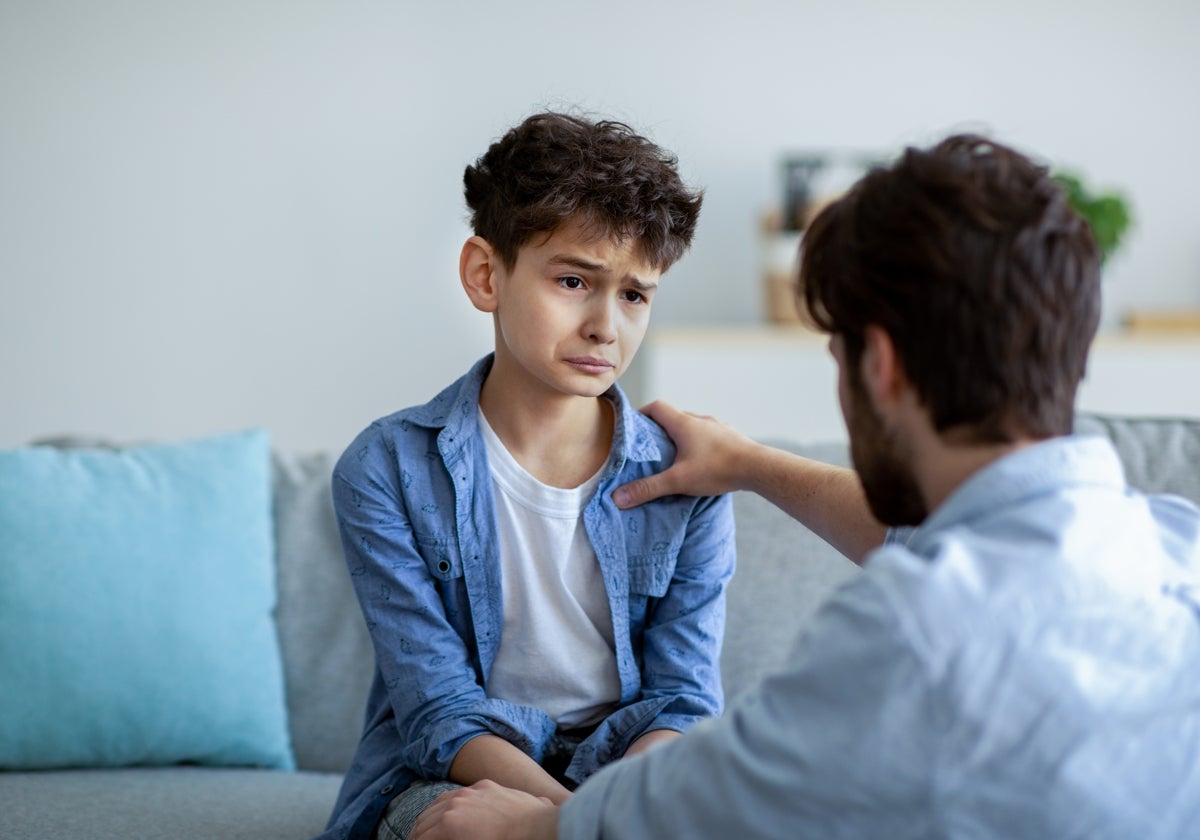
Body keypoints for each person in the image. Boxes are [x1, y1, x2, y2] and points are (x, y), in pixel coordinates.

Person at [409, 134, 1200, 839]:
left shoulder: (910, 628)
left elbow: (709, 798)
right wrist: (749, 463)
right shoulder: (1177, 545)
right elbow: (977, 537)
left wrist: (545, 829)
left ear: (878, 368)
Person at [317, 111, 736, 840]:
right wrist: (573, 824)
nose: (607, 326)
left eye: (635, 294)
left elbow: (682, 703)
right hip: (464, 769)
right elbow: (437, 712)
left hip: (633, 771)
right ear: (487, 275)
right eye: (575, 280)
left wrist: (581, 822)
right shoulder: (385, 469)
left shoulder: (688, 476)